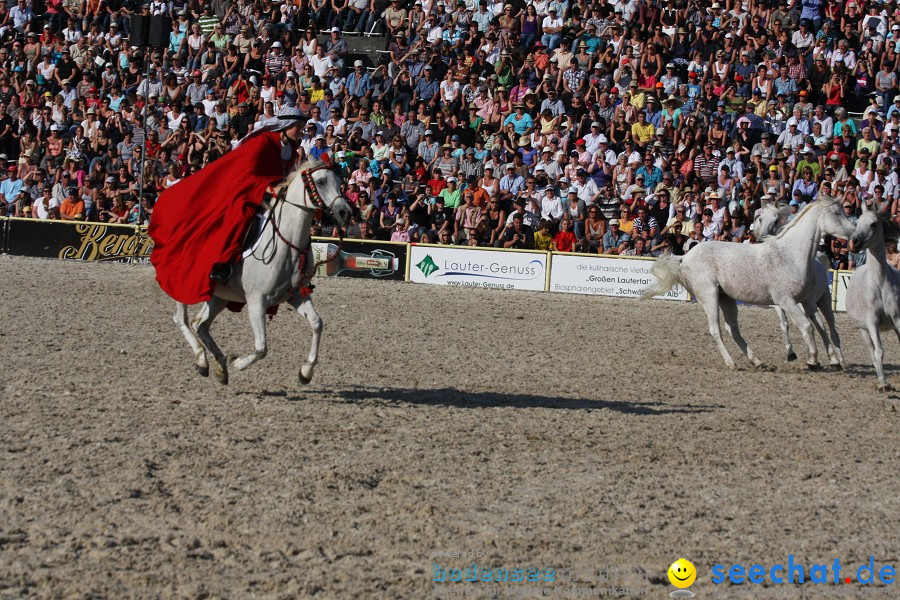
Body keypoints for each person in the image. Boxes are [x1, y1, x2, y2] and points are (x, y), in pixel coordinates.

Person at [149, 107, 306, 305]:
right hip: (243, 191)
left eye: (302, 127)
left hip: (269, 195)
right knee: (239, 217)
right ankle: (223, 266)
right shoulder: (262, 142)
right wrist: (270, 189)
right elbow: (247, 175)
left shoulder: (290, 149)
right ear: (285, 126)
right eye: (298, 127)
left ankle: (297, 272)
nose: (301, 131)